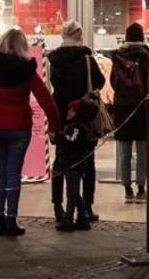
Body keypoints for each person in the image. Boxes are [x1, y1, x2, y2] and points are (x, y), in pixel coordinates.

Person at [0, 28, 61, 237]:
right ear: (21, 46)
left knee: (2, 172)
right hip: (19, 129)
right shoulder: (26, 69)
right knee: (13, 172)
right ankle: (11, 221)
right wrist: (55, 124)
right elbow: (45, 98)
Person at [47, 21, 106, 223]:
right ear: (80, 35)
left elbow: (55, 88)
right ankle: (86, 208)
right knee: (87, 162)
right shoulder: (87, 59)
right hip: (84, 115)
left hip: (62, 116)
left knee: (60, 162)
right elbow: (99, 82)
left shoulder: (54, 60)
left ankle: (58, 207)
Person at [111, 22, 149, 204]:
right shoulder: (148, 57)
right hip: (143, 108)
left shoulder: (118, 56)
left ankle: (127, 189)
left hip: (123, 109)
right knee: (143, 150)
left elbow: (113, 82)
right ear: (142, 37)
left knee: (125, 151)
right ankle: (141, 189)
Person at [55, 97, 99, 232]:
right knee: (75, 193)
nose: (68, 112)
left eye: (71, 110)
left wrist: (58, 137)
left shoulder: (77, 128)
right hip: (72, 165)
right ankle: (83, 217)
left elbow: (71, 141)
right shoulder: (74, 127)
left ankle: (68, 219)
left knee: (71, 194)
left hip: (74, 165)